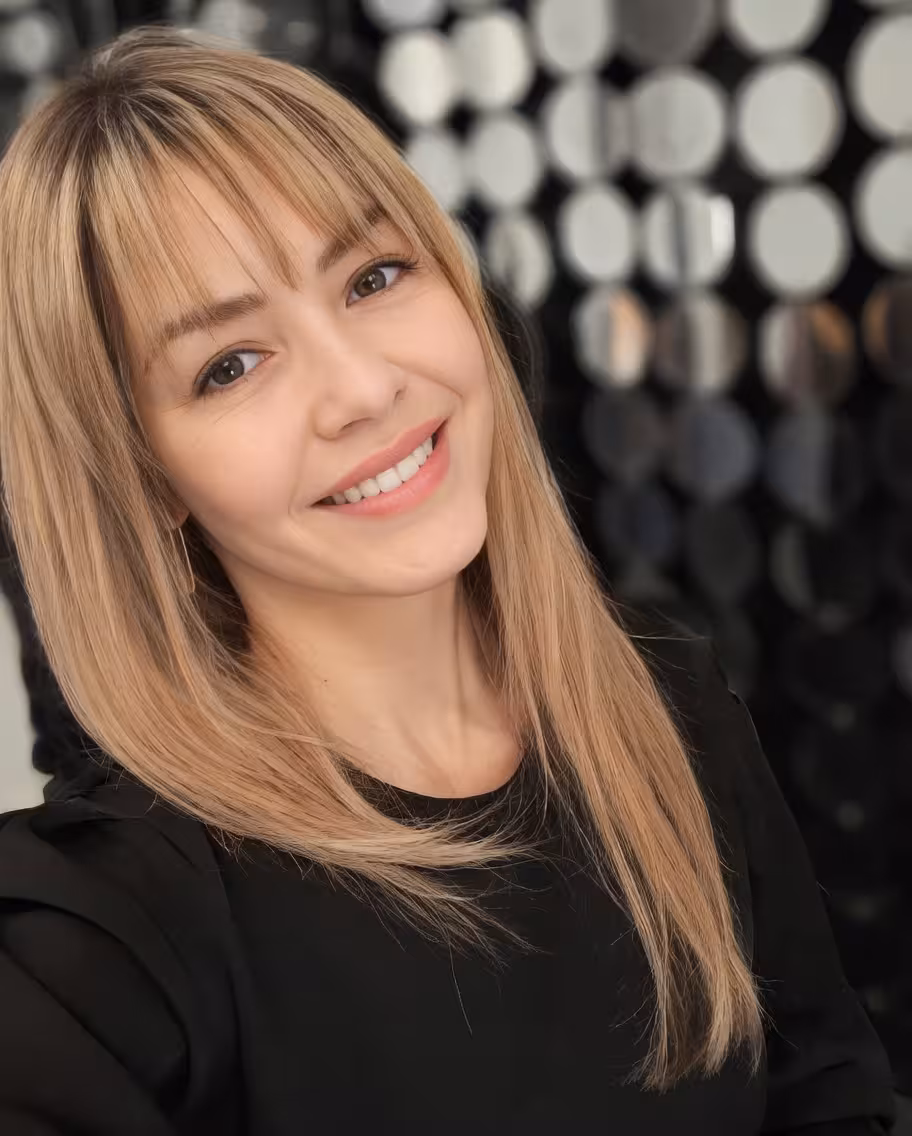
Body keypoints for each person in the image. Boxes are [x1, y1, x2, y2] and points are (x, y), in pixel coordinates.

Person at [0, 24, 897, 1136]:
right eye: (229, 365)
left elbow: (827, 1099)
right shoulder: (99, 935)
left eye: (373, 277)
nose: (363, 389)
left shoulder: (669, 702)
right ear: (144, 477)